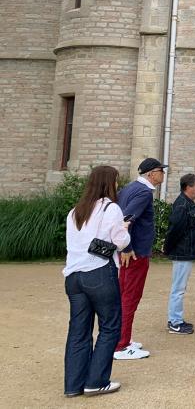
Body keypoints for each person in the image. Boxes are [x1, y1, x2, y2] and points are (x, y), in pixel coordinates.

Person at [63, 165, 130, 397]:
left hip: (73, 276)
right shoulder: (111, 208)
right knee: (110, 327)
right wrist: (125, 228)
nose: (118, 185)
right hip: (99, 272)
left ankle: (73, 385)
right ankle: (96, 381)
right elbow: (120, 242)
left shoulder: (75, 211)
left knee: (78, 331)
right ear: (109, 183)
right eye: (116, 181)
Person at [113, 157, 166, 360]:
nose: (163, 174)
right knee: (130, 297)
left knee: (123, 295)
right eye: (161, 170)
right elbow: (125, 219)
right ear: (151, 173)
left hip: (129, 252)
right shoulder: (143, 192)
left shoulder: (129, 188)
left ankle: (120, 338)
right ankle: (122, 345)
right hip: (135, 253)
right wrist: (127, 247)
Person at [163, 173, 195, 335]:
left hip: (185, 253)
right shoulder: (182, 205)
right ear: (188, 187)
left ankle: (176, 319)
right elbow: (174, 230)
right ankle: (175, 322)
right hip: (182, 253)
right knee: (178, 289)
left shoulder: (187, 203)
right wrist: (169, 249)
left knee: (179, 288)